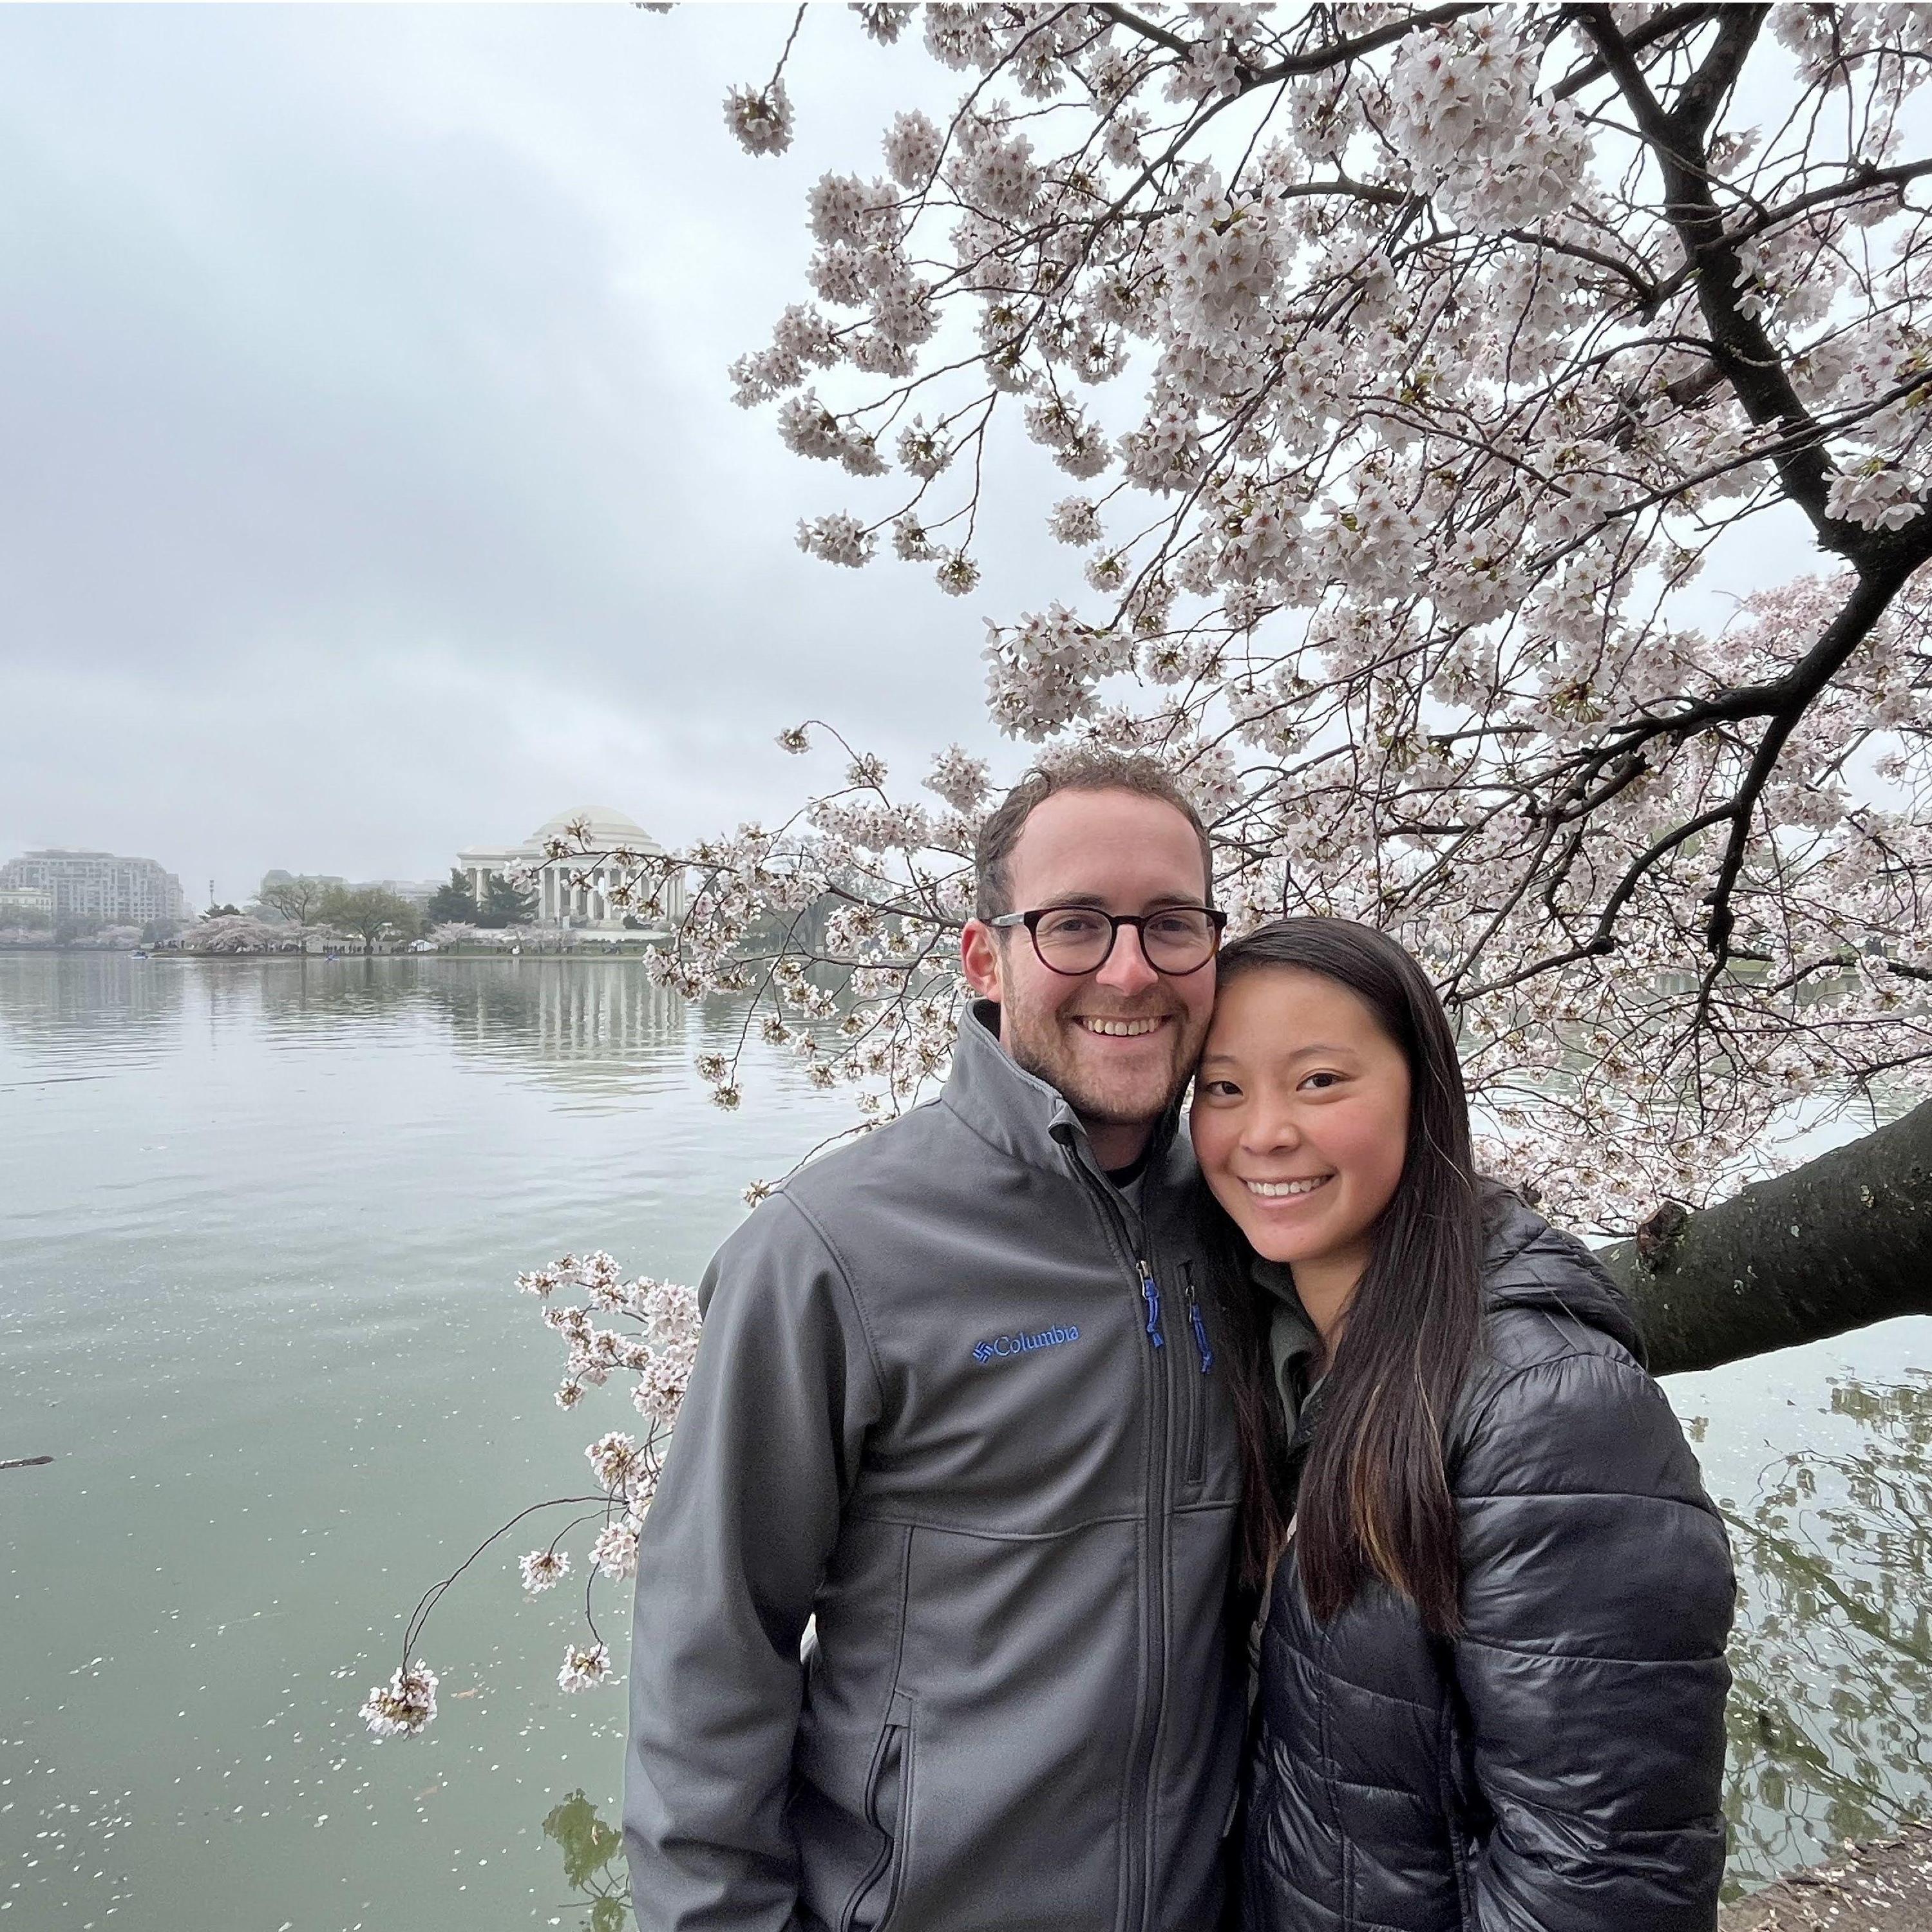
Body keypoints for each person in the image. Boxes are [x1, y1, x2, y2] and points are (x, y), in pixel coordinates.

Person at [625, 752, 1248, 1932]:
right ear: (986, 957)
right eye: (1074, 925)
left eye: (1172, 924)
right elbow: (712, 1653)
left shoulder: (1260, 1218)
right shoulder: (826, 1255)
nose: (1130, 968)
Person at [1188, 917, 1735, 1932]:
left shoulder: (1552, 1407)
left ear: (1422, 1094)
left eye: (1319, 1081)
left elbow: (1601, 1871)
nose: (1262, 1132)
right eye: (1222, 1088)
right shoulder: (1277, 1355)